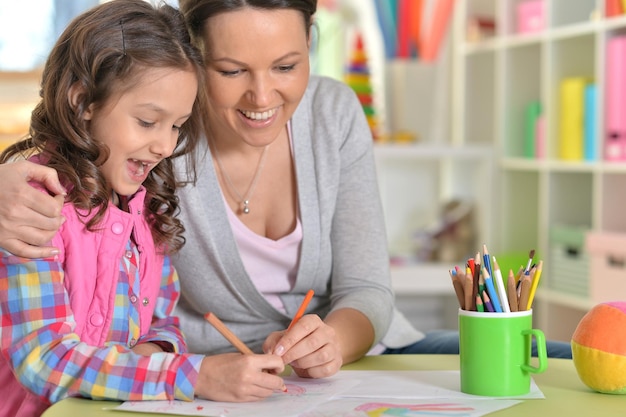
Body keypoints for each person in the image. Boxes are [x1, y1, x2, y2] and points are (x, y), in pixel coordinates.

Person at [0, 0, 572, 380]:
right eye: (230, 71)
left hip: (354, 360)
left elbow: (369, 288)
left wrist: (333, 344)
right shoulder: (165, 135)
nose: (261, 96)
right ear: (191, 60)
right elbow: (78, 145)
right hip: (220, 375)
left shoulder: (331, 113)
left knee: (566, 364)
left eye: (286, 65)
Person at [0, 2, 287, 416]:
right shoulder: (31, 206)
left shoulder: (148, 211)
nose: (166, 146)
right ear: (84, 103)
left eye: (176, 125)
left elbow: (163, 323)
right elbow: (44, 361)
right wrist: (190, 376)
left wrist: (154, 353)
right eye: (148, 122)